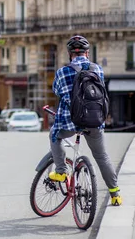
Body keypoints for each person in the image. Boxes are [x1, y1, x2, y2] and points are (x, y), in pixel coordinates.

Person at [48, 35, 122, 206]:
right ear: (87, 53)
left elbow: (57, 91)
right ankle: (115, 193)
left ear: (69, 54)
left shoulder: (62, 72)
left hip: (71, 122)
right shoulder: (97, 70)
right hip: (95, 120)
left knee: (55, 135)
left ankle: (60, 171)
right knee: (102, 156)